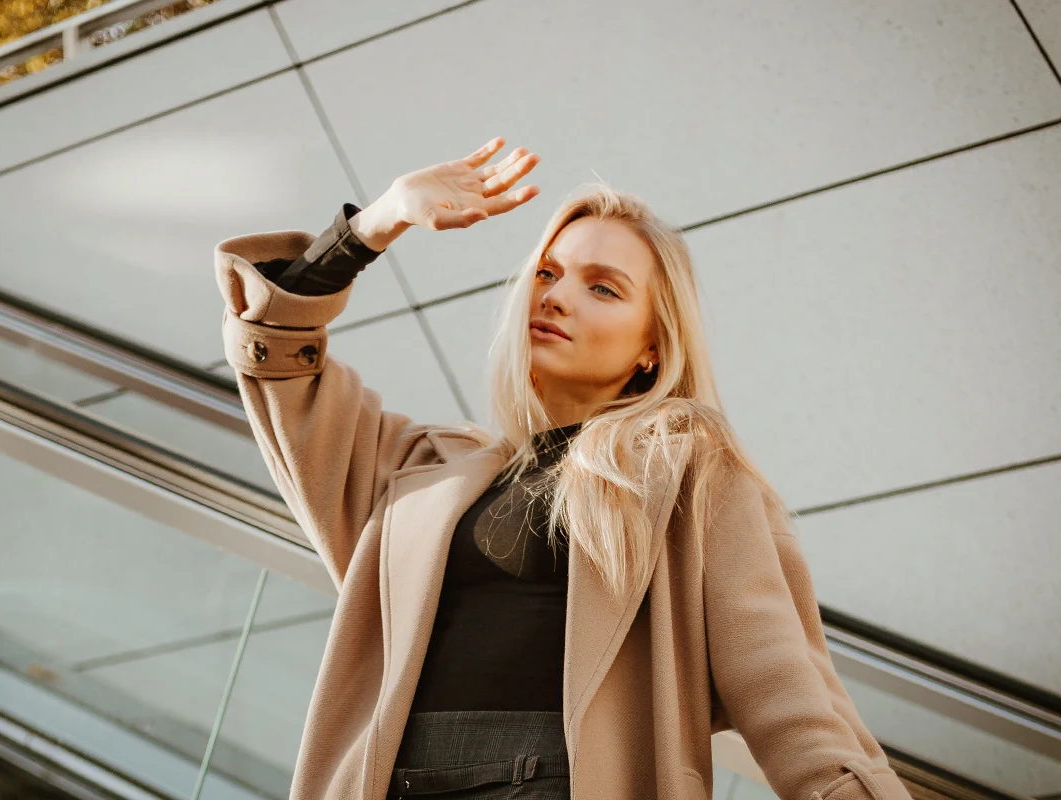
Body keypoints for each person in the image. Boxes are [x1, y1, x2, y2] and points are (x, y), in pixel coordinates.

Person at [213, 137, 913, 800]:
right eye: (546, 274)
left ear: (653, 346)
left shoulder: (688, 467)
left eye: (602, 288)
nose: (554, 296)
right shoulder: (424, 470)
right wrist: (376, 223)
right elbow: (276, 353)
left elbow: (786, 686)